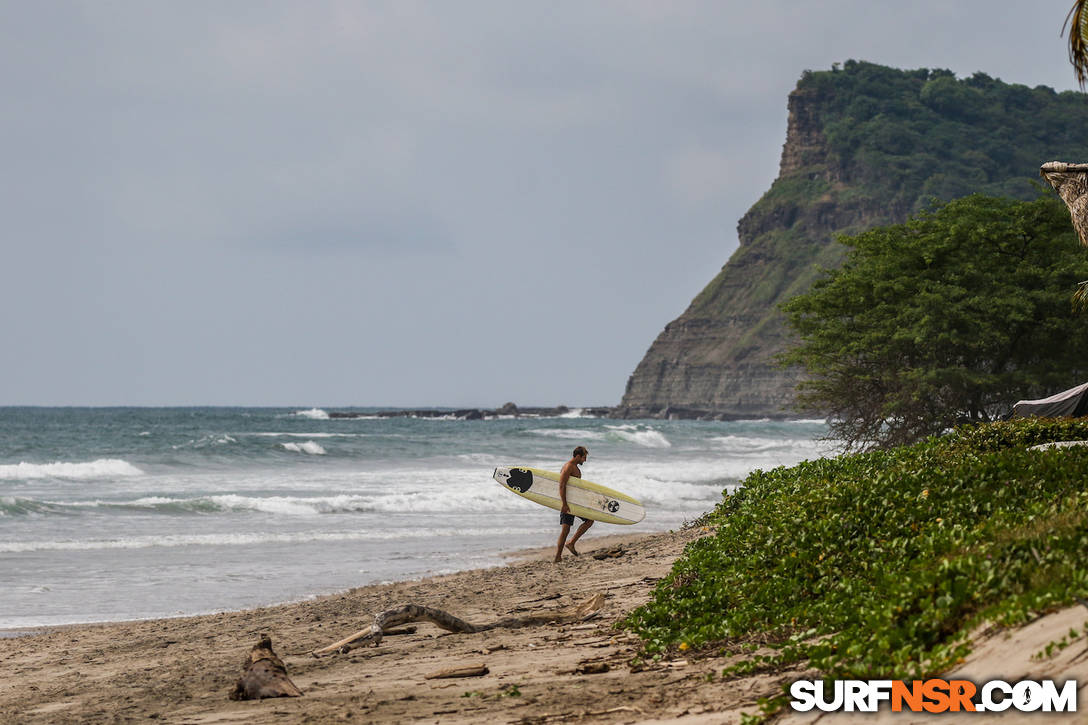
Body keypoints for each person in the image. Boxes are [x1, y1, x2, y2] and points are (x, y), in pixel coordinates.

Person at [555, 446, 594, 562]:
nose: (585, 460)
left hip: (575, 503)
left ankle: (571, 543)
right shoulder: (568, 467)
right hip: (567, 503)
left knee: (589, 520)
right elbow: (562, 485)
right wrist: (564, 504)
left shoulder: (575, 468)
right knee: (566, 530)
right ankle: (558, 556)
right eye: (584, 457)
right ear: (578, 456)